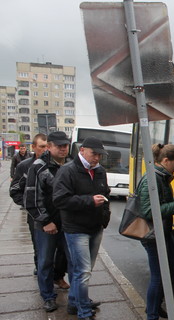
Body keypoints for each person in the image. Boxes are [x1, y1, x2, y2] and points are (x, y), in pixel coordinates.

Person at [53, 137, 111, 320]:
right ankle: (83, 310)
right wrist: (89, 201)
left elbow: (105, 192)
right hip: (76, 228)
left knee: (85, 270)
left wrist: (104, 215)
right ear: (83, 150)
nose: (97, 158)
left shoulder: (100, 171)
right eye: (94, 154)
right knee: (82, 271)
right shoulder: (67, 170)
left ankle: (75, 301)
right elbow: (60, 200)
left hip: (95, 227)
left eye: (100, 155)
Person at [24, 131, 73, 313]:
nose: (63, 148)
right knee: (45, 262)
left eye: (65, 145)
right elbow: (32, 199)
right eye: (59, 145)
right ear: (50, 146)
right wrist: (46, 222)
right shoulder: (38, 167)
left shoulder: (70, 165)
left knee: (73, 261)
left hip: (68, 224)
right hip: (46, 225)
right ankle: (48, 297)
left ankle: (77, 298)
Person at [138, 143, 174, 320]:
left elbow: (163, 200)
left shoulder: (161, 176)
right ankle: (152, 314)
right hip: (152, 235)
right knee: (158, 276)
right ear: (165, 160)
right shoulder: (153, 178)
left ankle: (154, 304)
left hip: (162, 232)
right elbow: (149, 211)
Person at [10, 134, 48, 276]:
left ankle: (56, 275)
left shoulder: (55, 164)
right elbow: (14, 190)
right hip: (35, 215)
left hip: (54, 214)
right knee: (39, 246)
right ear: (33, 147)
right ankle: (41, 273)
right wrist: (29, 204)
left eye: (47, 146)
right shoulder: (24, 166)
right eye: (42, 147)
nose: (45, 150)